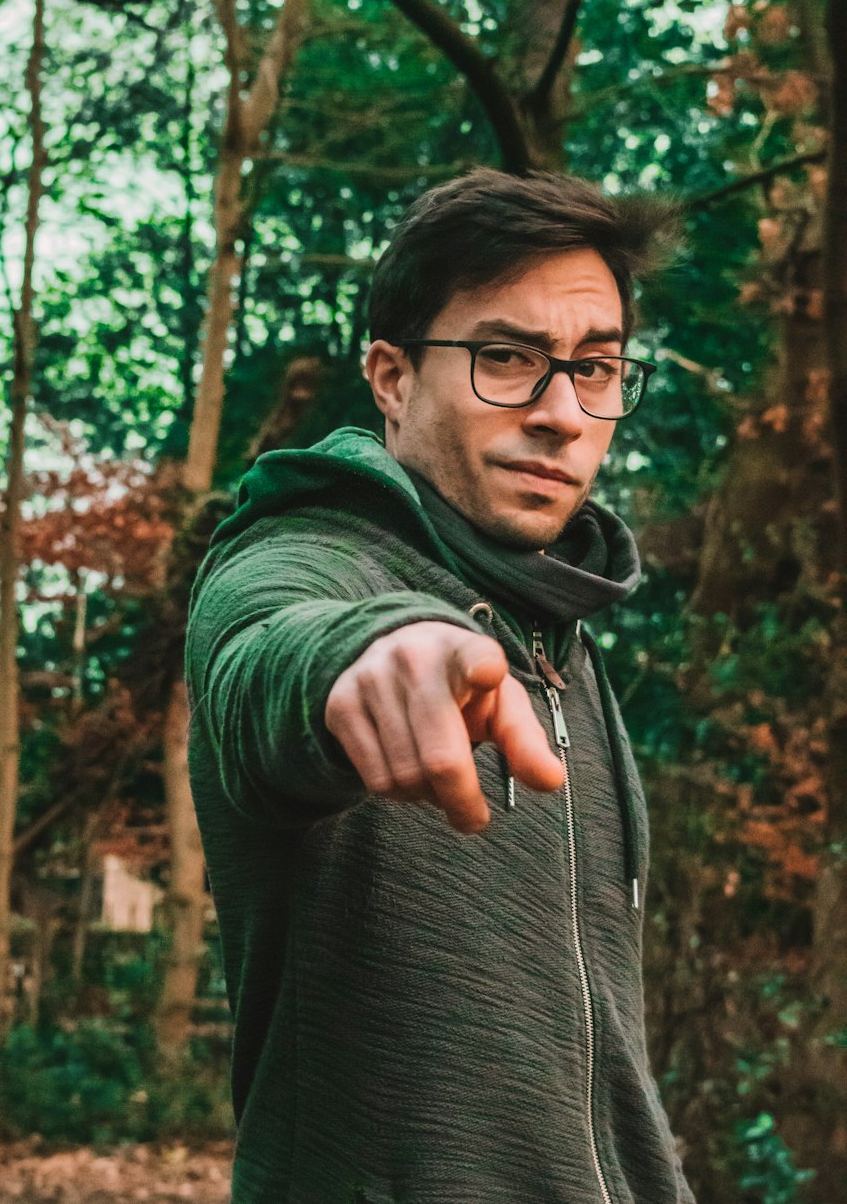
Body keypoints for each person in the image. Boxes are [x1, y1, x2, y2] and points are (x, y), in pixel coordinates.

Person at [186, 168, 696, 1204]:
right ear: (390, 376)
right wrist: (373, 654)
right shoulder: (304, 554)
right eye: (506, 357)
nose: (561, 412)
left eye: (595, 369)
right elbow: (267, 648)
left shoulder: (562, 636)